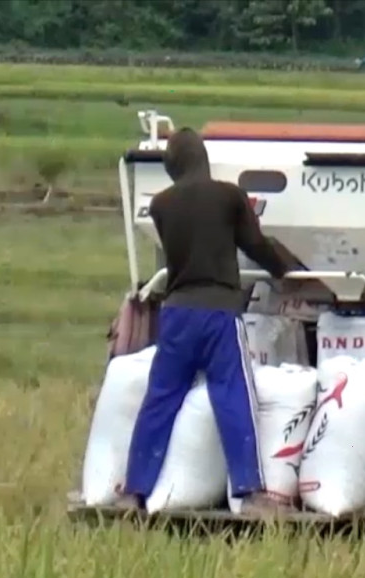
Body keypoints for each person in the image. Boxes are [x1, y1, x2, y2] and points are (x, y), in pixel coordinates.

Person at [114, 127, 298, 517]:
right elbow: (255, 244)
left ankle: (133, 492)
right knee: (233, 395)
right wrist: (286, 271)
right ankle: (250, 494)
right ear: (204, 159)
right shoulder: (228, 196)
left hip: (177, 313)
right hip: (218, 313)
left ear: (172, 167)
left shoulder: (161, 205)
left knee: (160, 399)